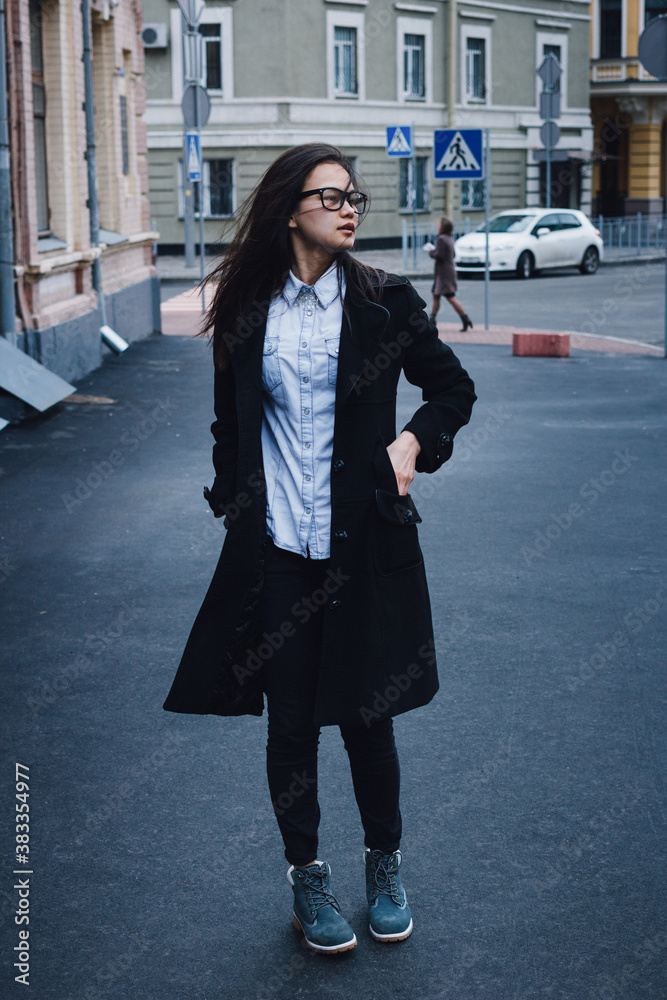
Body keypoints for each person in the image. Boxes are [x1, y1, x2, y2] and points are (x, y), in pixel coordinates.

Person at [162, 144, 476, 955]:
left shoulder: (383, 301)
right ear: (288, 209)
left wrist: (412, 443)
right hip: (276, 550)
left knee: (368, 718)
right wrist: (233, 502)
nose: (347, 208)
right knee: (291, 726)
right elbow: (231, 423)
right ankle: (307, 878)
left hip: (362, 545)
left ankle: (385, 868)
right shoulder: (246, 307)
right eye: (329, 196)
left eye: (352, 197)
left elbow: (452, 389)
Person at [424, 216, 473, 331]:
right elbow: (452, 254)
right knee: (436, 296)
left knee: (450, 297)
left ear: (443, 227)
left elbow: (439, 256)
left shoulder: (441, 239)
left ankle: (465, 319)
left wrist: (431, 252)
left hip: (444, 274)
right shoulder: (449, 238)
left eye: (439, 224)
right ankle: (432, 321)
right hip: (446, 272)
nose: (438, 226)